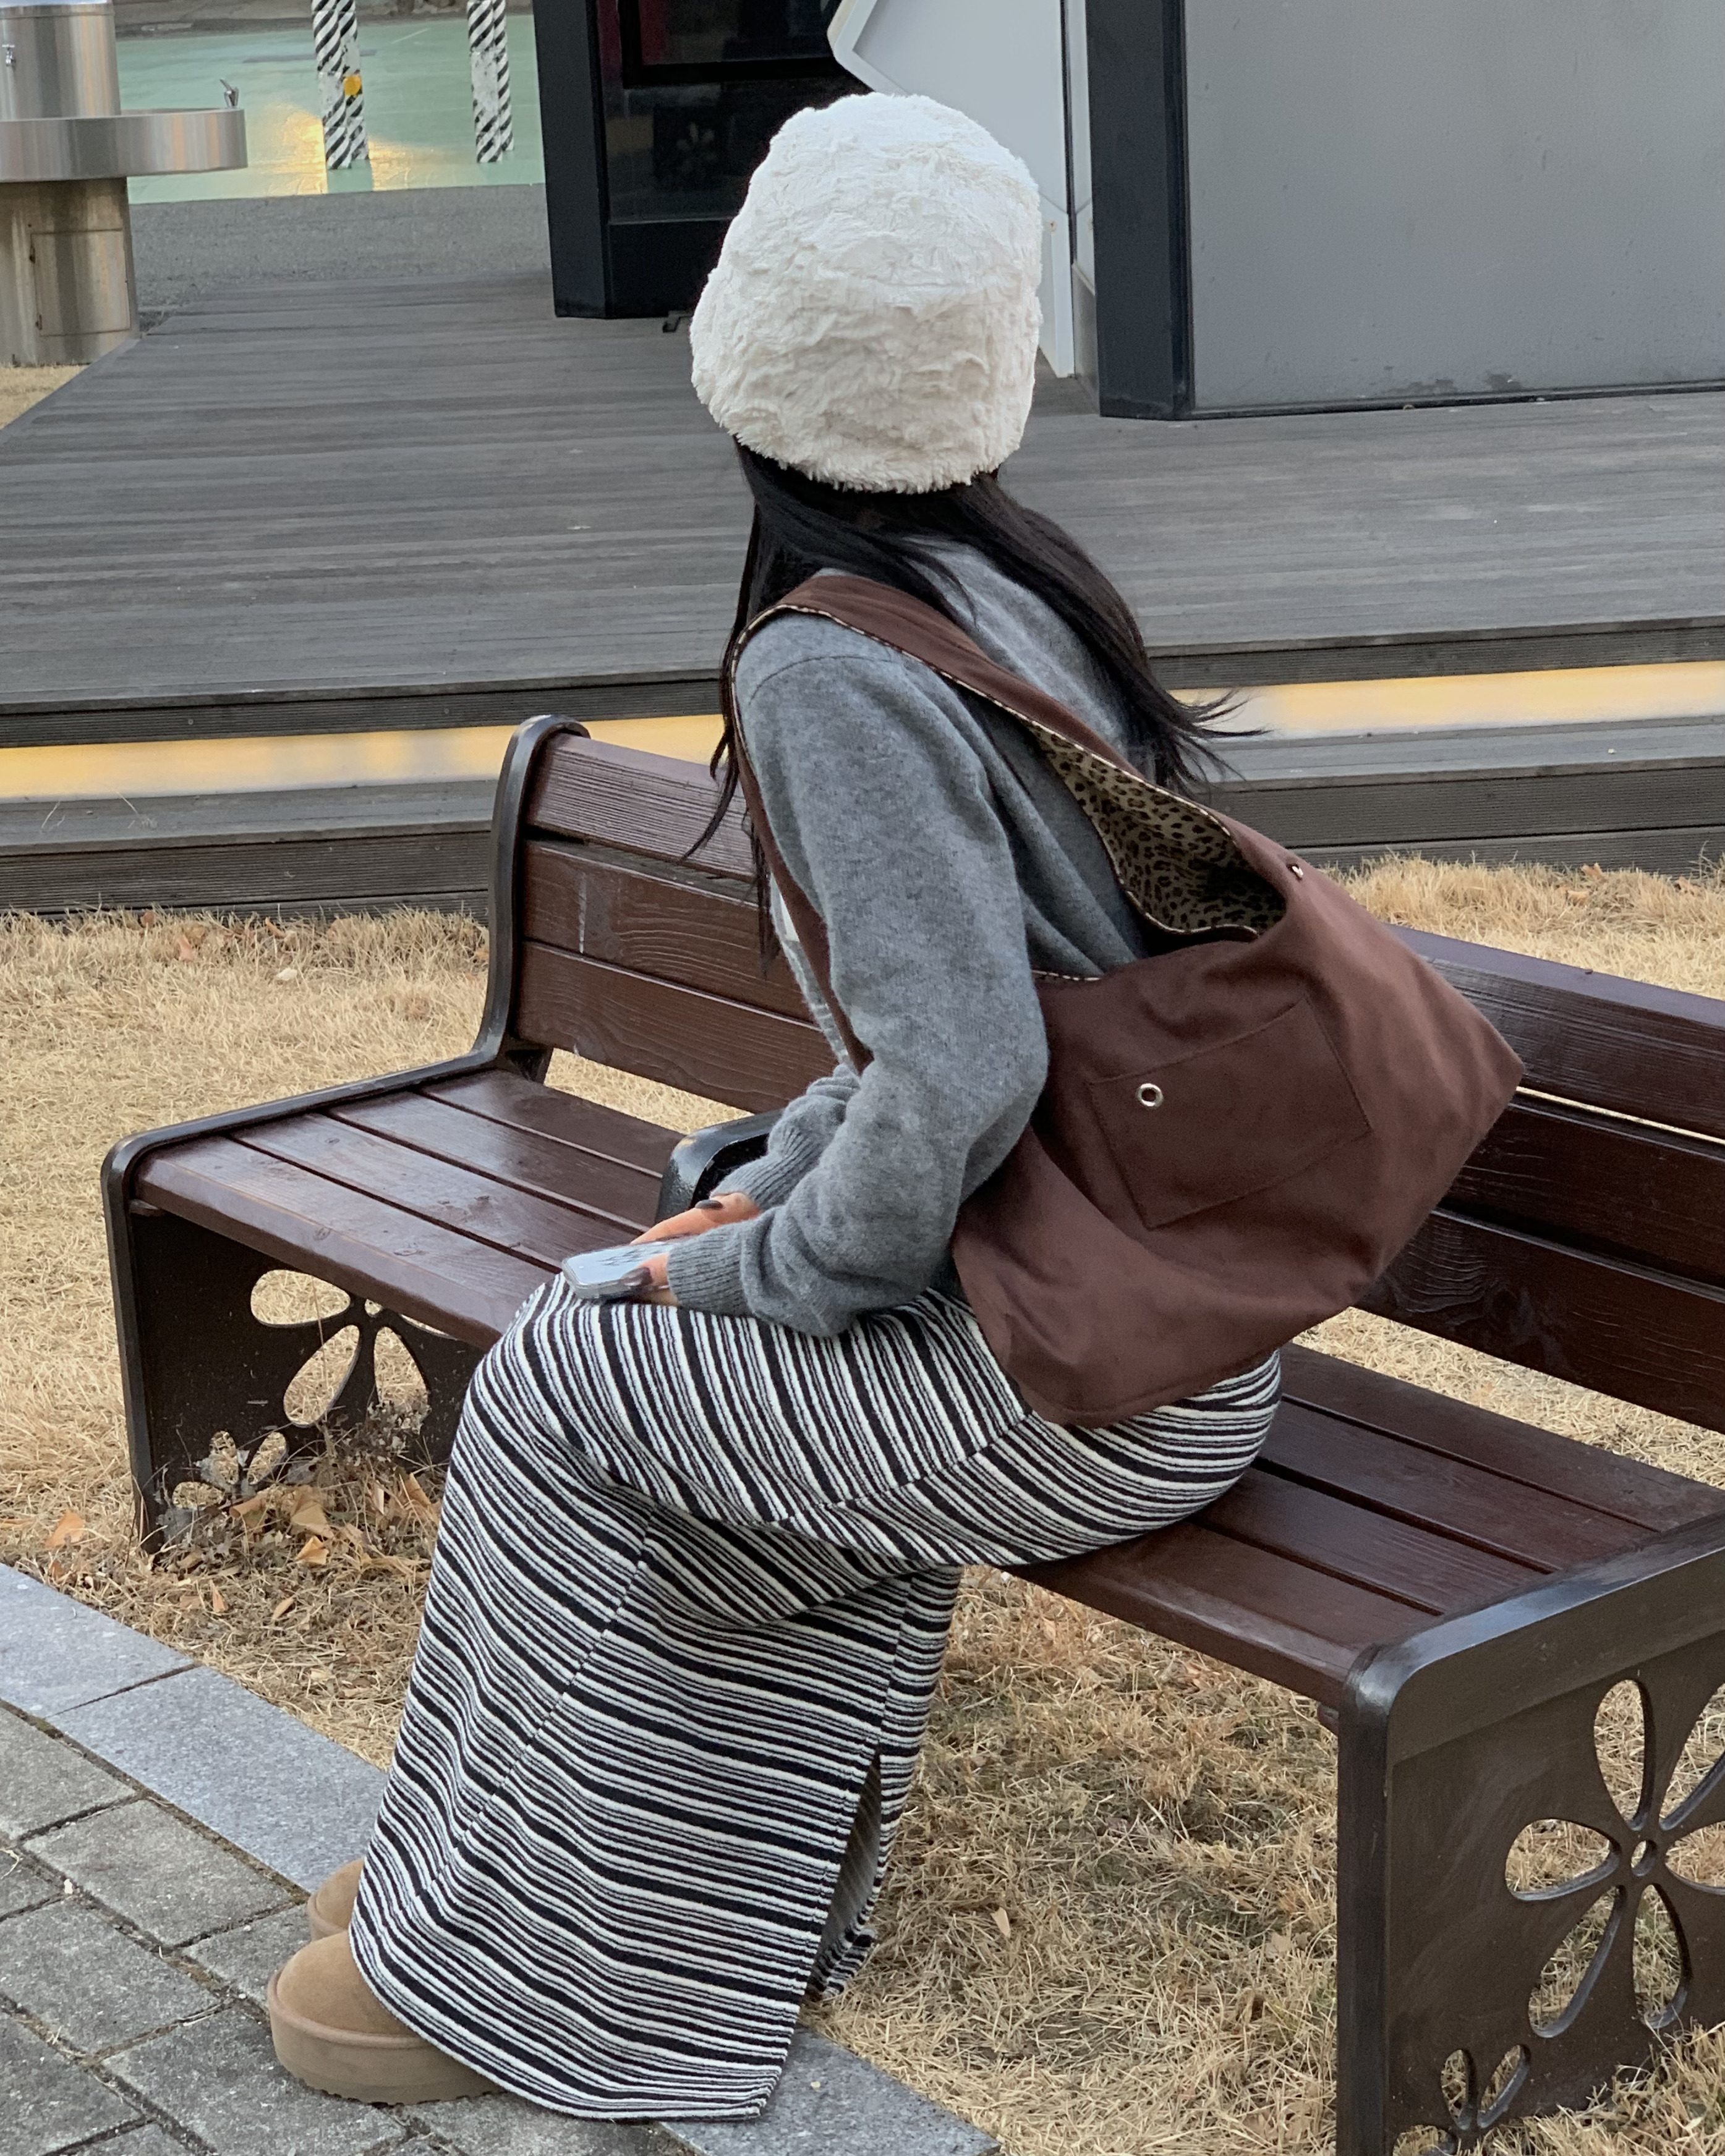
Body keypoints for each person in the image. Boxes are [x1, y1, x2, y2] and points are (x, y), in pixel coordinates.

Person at [265, 91, 1282, 2118]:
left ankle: (530, 1974)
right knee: (637, 1359)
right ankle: (549, 1891)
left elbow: (968, 1067)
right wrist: (767, 1188)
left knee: (565, 1380)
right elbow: (982, 1043)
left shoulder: (832, 662)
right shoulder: (1014, 584)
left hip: (1084, 1381)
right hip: (1165, 1330)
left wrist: (786, 1268)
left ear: (747, 352)